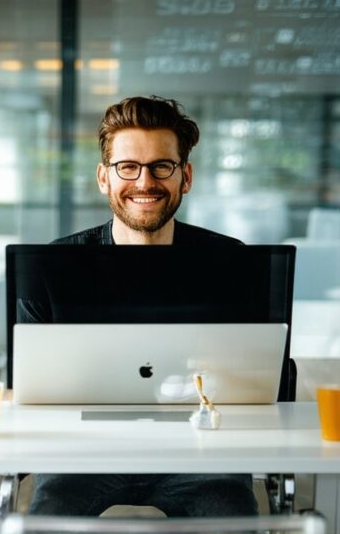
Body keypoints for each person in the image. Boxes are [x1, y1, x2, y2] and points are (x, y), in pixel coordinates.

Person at [26, 96, 257, 517]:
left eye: (161, 167)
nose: (144, 182)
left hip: (200, 451)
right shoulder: (52, 265)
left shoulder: (230, 262)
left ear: (185, 177)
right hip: (83, 452)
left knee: (231, 518)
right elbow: (26, 383)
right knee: (47, 520)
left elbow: (265, 378)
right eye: (127, 167)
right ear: (103, 178)